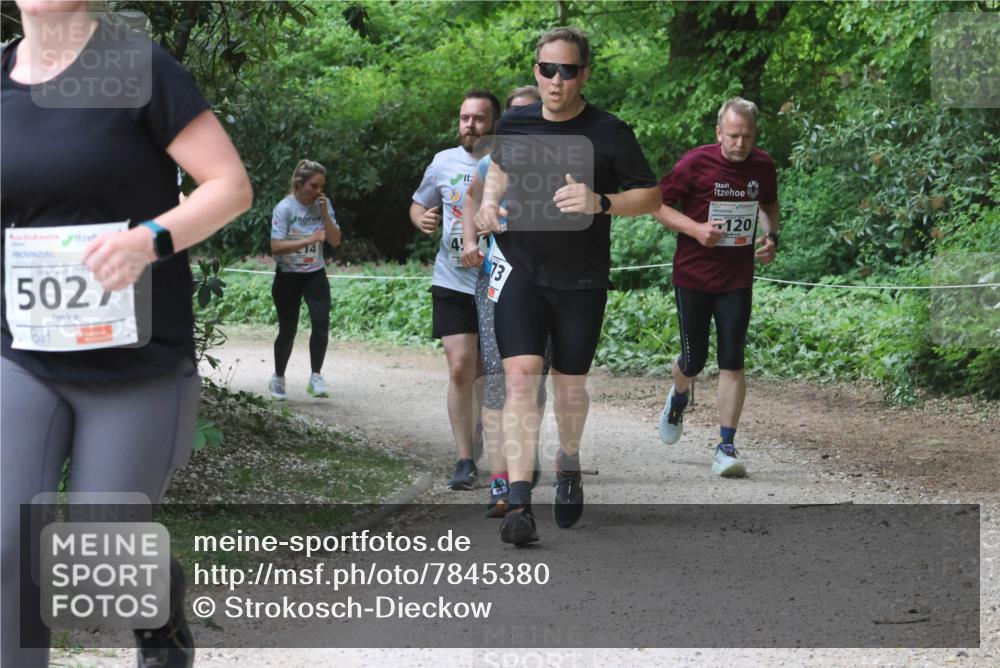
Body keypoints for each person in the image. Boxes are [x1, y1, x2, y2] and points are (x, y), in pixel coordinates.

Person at [1, 3, 253, 667]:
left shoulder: (136, 67)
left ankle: (162, 608)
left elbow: (229, 186)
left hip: (135, 364)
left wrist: (150, 239)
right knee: (4, 545)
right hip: (22, 354)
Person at [474, 28, 660, 545]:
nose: (557, 80)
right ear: (536, 71)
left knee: (569, 388)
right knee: (520, 380)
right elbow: (498, 173)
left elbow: (650, 195)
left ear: (585, 74)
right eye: (547, 69)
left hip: (580, 279)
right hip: (520, 271)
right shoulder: (514, 122)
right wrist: (489, 203)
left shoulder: (610, 132)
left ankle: (569, 458)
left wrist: (602, 202)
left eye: (568, 70)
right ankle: (519, 502)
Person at [654, 97, 780, 478]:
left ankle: (725, 445)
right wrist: (695, 229)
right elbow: (656, 205)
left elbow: (770, 204)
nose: (740, 144)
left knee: (732, 357)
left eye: (747, 136)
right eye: (733, 136)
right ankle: (678, 397)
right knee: (694, 361)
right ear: (718, 132)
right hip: (693, 276)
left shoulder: (763, 165)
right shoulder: (695, 163)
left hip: (736, 278)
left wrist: (771, 236)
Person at [461, 85, 549, 517]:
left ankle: (522, 467)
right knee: (500, 380)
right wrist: (471, 239)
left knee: (535, 384)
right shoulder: (489, 161)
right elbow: (470, 197)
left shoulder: (559, 161)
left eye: (529, 112)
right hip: (498, 279)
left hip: (550, 283)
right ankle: (501, 484)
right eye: (514, 115)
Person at [410, 89, 500, 491]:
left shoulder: (508, 161)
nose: (470, 125)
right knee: (461, 366)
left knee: (485, 370)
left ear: (494, 123)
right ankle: (464, 459)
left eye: (479, 118)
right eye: (465, 118)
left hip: (498, 281)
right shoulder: (442, 162)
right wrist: (422, 219)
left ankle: (478, 429)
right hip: (451, 278)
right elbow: (418, 203)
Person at [268, 159, 342, 400]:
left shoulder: (323, 204)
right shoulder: (285, 208)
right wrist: (308, 240)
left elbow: (335, 240)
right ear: (300, 184)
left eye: (322, 186)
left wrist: (325, 215)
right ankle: (278, 378)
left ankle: (316, 377)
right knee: (288, 329)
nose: (319, 191)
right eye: (314, 186)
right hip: (288, 276)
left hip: (314, 274)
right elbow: (276, 247)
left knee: (321, 323)